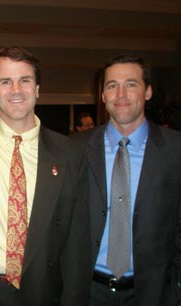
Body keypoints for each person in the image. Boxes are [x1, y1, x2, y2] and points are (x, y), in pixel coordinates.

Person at [0, 46, 91, 306]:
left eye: (25, 80)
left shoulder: (69, 153)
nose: (16, 90)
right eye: (5, 82)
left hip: (43, 294)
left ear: (38, 88)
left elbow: (76, 246)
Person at [72, 53, 181, 305]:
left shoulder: (176, 151)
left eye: (131, 84)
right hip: (87, 293)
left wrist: (175, 289)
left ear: (148, 91)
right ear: (102, 95)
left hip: (153, 295)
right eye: (112, 86)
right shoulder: (75, 149)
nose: (120, 95)